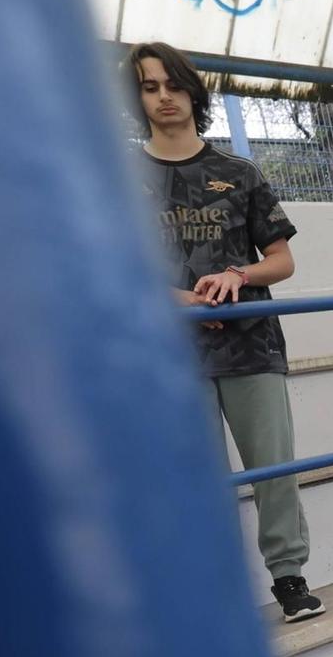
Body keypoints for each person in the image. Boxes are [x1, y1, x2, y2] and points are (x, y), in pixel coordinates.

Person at [128, 42, 322, 622]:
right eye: (148, 86)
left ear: (193, 90)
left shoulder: (240, 173)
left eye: (172, 84)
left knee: (273, 467)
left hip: (251, 342)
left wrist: (236, 275)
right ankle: (215, 590)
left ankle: (289, 578)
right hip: (167, 354)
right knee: (194, 476)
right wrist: (178, 299)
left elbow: (281, 260)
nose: (163, 97)